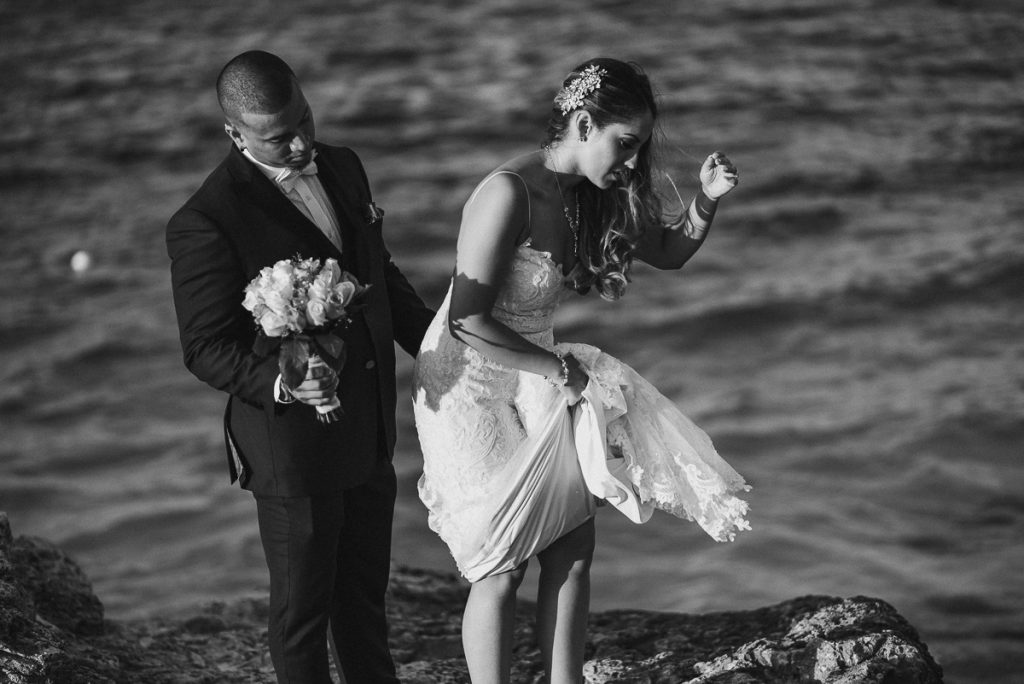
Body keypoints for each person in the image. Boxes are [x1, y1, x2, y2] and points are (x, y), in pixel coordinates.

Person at [412, 57, 751, 683]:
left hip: (535, 368)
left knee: (572, 544)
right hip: (469, 379)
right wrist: (559, 373)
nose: (631, 161)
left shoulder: (591, 195)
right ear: (583, 123)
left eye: (640, 148)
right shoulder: (506, 192)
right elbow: (466, 320)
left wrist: (706, 199)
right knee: (500, 559)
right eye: (625, 144)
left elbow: (671, 251)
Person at [166, 50, 433, 683]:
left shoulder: (343, 165)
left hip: (369, 427)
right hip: (292, 450)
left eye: (304, 120)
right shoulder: (205, 221)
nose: (300, 143)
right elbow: (204, 347)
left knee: (365, 603)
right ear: (235, 134)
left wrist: (440, 344)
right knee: (302, 619)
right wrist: (286, 382)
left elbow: (378, 275)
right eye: (278, 136)